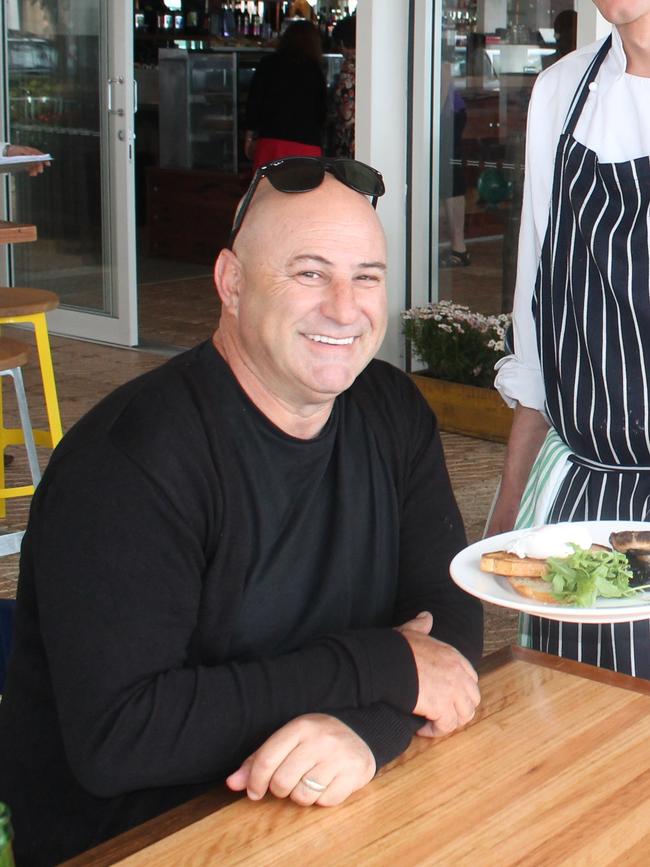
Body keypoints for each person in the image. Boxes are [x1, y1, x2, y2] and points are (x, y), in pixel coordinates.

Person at [0, 156, 483, 865]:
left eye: (367, 277)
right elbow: (121, 736)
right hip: (147, 835)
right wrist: (383, 665)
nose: (345, 308)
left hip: (332, 809)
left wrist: (368, 732)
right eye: (310, 273)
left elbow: (451, 625)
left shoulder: (391, 412)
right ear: (231, 283)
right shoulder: (131, 463)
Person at [488, 1, 650, 673]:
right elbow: (540, 311)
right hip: (587, 503)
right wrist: (510, 494)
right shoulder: (562, 92)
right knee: (579, 733)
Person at [244, 20, 327, 169]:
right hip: (307, 145)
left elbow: (254, 104)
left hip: (271, 143)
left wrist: (249, 138)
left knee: (268, 191)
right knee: (305, 191)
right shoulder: (315, 70)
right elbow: (322, 114)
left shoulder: (267, 64)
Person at [439, 53, 470, 268]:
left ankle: (459, 247)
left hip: (447, 111)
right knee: (448, 175)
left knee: (450, 175)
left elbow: (444, 70)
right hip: (447, 110)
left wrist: (437, 115)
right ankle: (458, 246)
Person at [329, 16, 356, 158]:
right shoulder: (373, 62)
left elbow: (345, 114)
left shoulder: (349, 70)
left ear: (342, 43)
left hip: (348, 141)